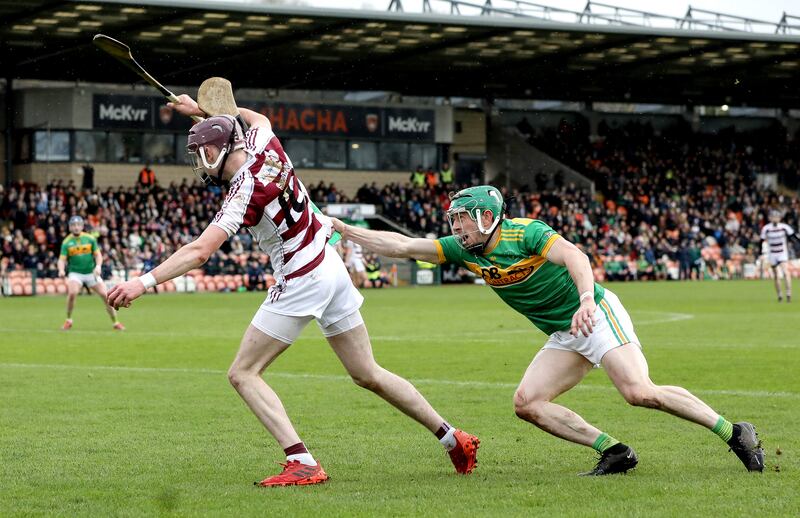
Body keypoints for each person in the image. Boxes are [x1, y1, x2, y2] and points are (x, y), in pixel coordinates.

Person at [107, 95, 479, 487]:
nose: (201, 162)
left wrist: (142, 282)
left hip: (302, 275)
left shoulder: (243, 193)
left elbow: (200, 251)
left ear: (223, 149)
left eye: (205, 152)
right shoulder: (264, 142)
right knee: (367, 373)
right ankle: (453, 437)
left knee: (243, 373)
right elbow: (256, 117)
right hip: (329, 263)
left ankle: (301, 461)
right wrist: (204, 112)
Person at [332, 185, 765, 476]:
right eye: (453, 220)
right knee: (528, 403)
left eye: (462, 219)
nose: (455, 227)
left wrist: (586, 301)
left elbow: (576, 258)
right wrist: (344, 229)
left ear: (487, 215)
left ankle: (734, 432)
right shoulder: (466, 252)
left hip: (593, 313)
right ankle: (614, 451)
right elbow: (404, 246)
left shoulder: (527, 233)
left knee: (638, 391)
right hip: (565, 333)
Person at [57, 215, 124, 331]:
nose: (76, 227)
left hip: (91, 273)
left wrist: (98, 266)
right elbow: (61, 259)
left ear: (82, 226)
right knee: (72, 293)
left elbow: (98, 255)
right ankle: (68, 320)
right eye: (73, 225)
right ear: (70, 227)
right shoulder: (66, 242)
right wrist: (61, 270)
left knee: (105, 295)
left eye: (78, 225)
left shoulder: (90, 239)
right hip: (75, 273)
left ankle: (115, 322)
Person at [760, 210, 797, 302]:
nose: (775, 218)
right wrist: (760, 253)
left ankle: (788, 294)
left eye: (776, 217)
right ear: (770, 218)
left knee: (786, 272)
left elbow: (793, 237)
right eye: (773, 217)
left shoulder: (784, 227)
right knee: (776, 275)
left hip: (782, 253)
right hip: (772, 253)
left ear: (780, 218)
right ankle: (780, 295)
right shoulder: (766, 228)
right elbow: (761, 241)